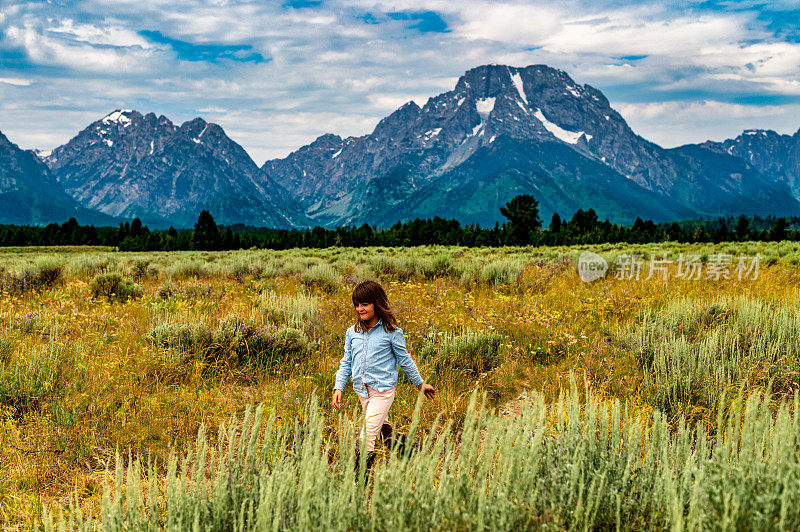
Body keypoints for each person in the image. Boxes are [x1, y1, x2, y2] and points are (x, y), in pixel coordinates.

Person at [332, 280, 435, 465]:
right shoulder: (352, 332)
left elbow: (405, 360)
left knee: (367, 437)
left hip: (383, 391)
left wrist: (420, 384)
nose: (360, 309)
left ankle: (356, 484)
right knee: (382, 430)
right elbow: (346, 361)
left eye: (365, 304)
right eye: (357, 304)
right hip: (362, 391)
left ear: (377, 304)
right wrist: (338, 387)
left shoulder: (391, 332)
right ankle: (409, 455)